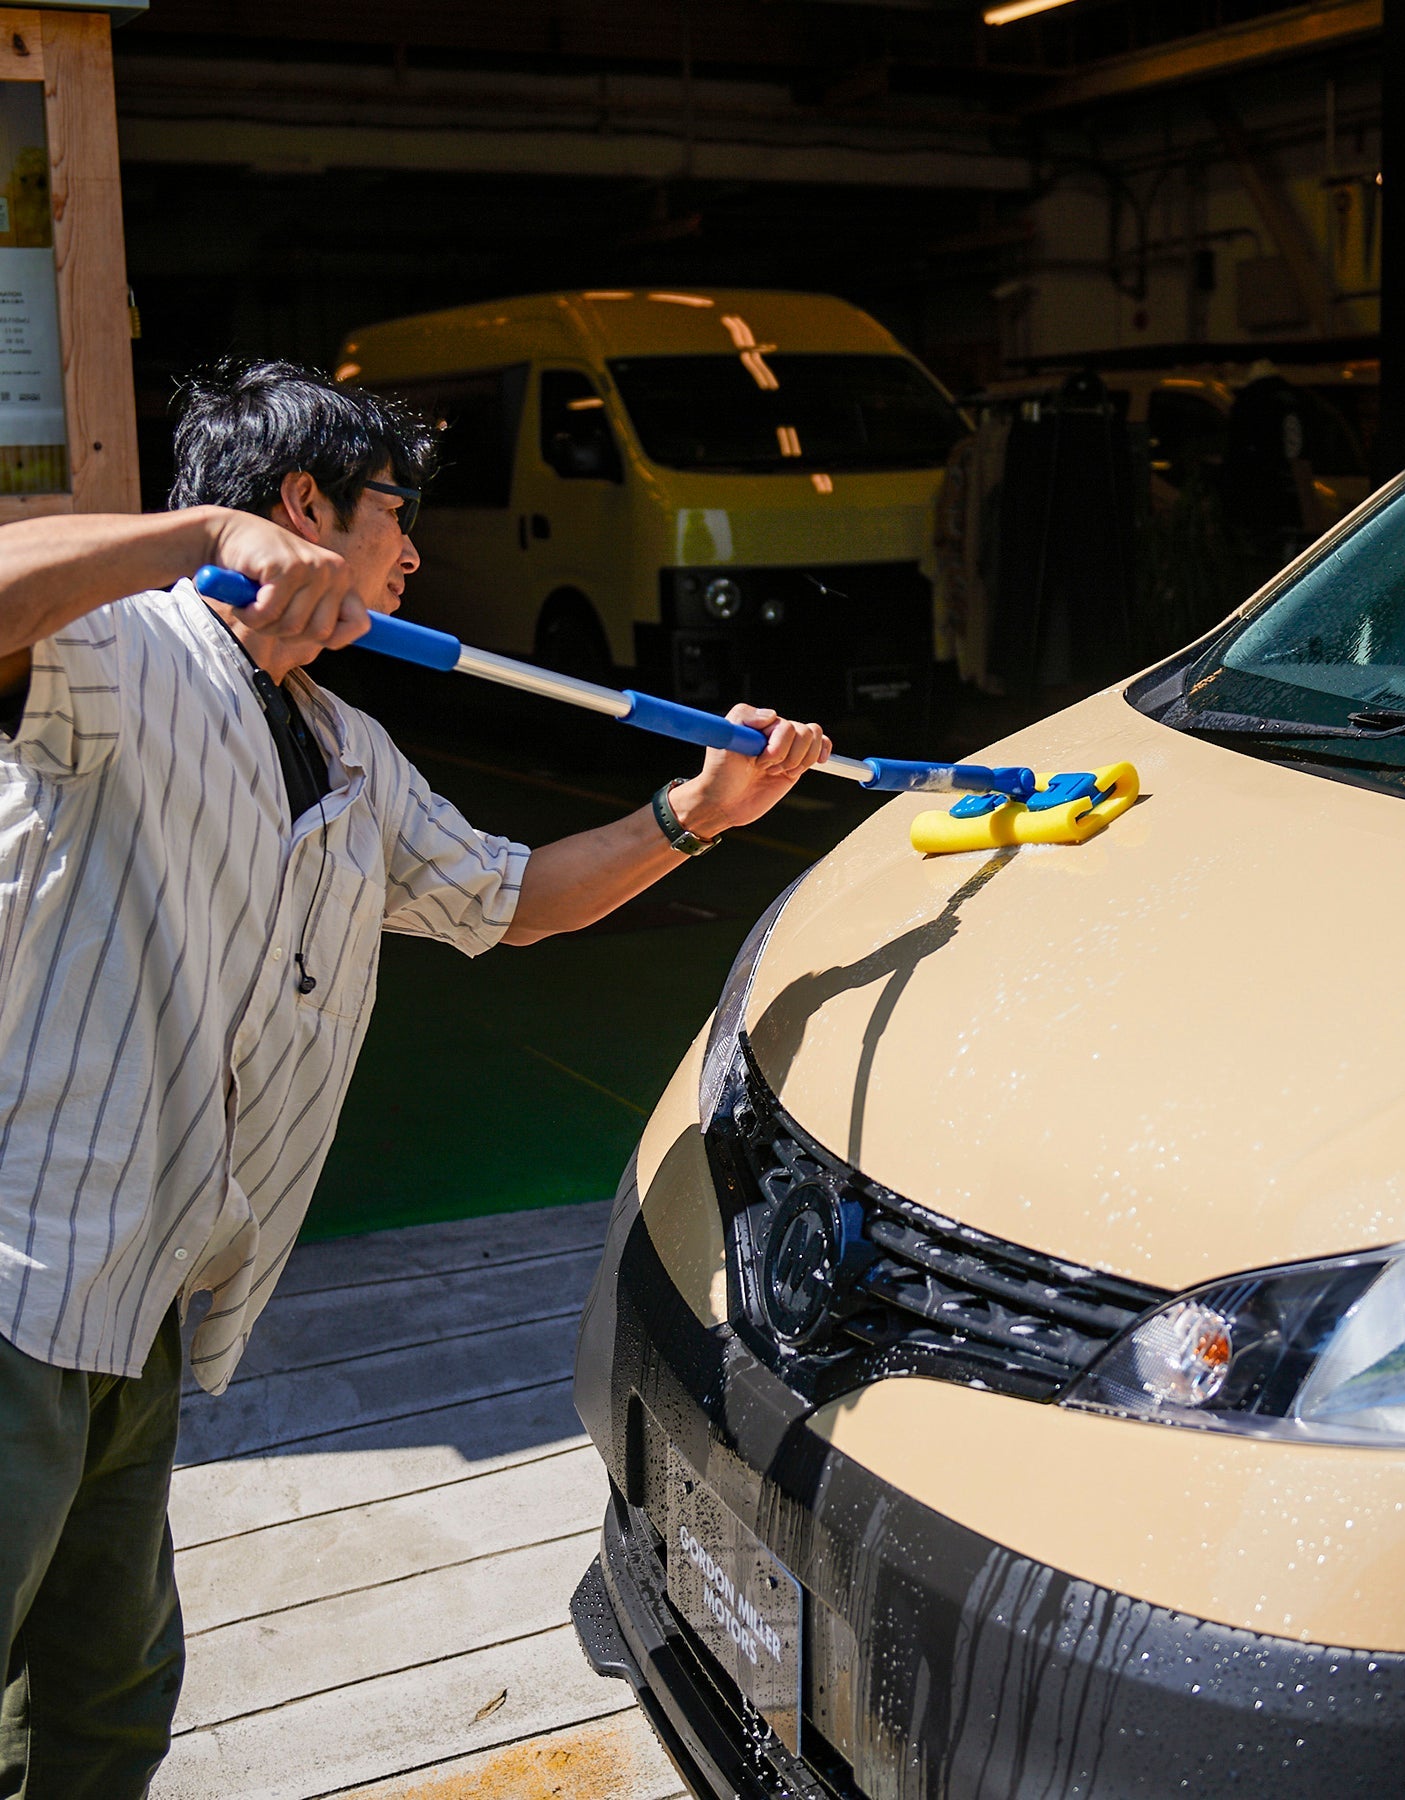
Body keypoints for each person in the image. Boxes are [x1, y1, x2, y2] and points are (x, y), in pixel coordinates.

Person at [0, 359, 830, 1799]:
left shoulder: (348, 750)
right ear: (303, 506)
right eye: (396, 511)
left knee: (106, 1698)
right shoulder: (123, 651)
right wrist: (197, 535)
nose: (414, 551)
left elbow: (517, 899)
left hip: (137, 1299)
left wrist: (700, 811)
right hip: (16, 1279)